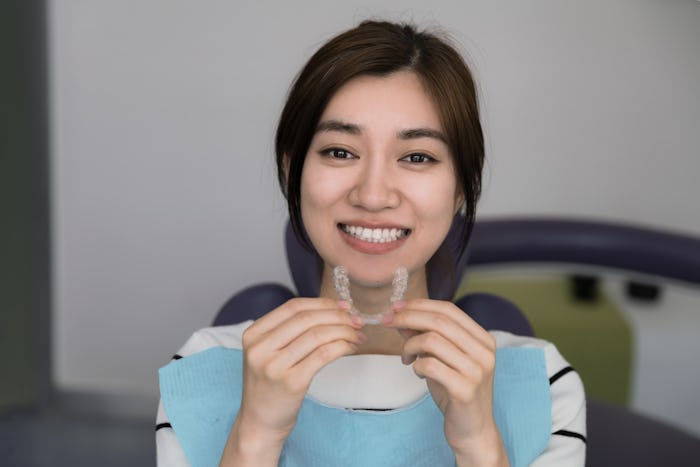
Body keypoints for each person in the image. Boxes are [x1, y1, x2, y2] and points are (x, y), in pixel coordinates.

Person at [156, 20, 586, 467]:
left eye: (417, 157)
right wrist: (256, 433)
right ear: (292, 170)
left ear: (461, 187)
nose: (373, 195)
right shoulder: (205, 367)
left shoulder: (543, 382)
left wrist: (478, 441)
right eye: (340, 151)